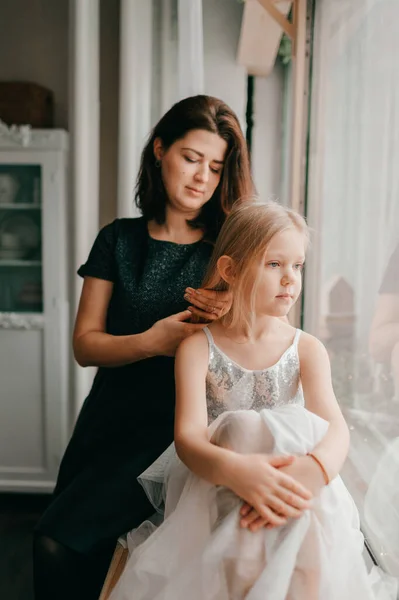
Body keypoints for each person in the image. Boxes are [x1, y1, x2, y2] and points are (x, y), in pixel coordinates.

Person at [109, 201, 397, 600]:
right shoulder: (197, 348)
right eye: (274, 264)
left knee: (303, 522)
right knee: (243, 430)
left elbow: (334, 431)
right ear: (229, 269)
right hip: (222, 482)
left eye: (297, 266)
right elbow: (189, 438)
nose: (290, 280)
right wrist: (242, 474)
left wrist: (310, 472)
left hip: (297, 486)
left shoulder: (307, 349)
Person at [32, 95, 255, 600]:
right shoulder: (118, 240)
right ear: (160, 150)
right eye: (191, 158)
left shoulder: (229, 250)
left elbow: (256, 343)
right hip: (109, 424)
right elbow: (86, 346)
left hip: (185, 428)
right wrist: (151, 341)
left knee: (87, 552)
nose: (202, 177)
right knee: (58, 546)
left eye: (216, 167)